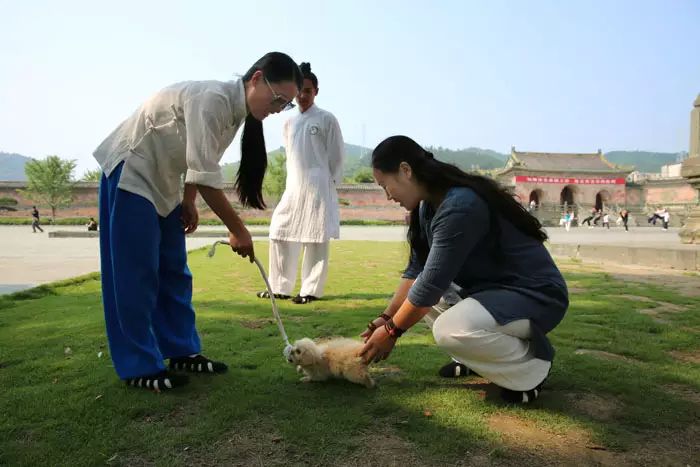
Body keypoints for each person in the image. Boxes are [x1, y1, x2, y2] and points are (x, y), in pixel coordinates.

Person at [92, 52, 303, 391]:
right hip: (131, 171)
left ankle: (181, 349)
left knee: (174, 268)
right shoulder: (213, 99)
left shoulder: (233, 113)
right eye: (278, 99)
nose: (279, 108)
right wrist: (238, 230)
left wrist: (188, 201)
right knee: (137, 270)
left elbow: (198, 164)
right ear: (256, 79)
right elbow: (207, 178)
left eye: (286, 104)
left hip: (164, 183)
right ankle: (138, 365)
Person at [360, 136, 568, 404]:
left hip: (535, 296)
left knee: (448, 328)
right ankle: (475, 360)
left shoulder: (460, 205)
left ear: (405, 170)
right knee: (423, 304)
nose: (388, 196)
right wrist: (385, 318)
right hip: (492, 293)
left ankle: (532, 367)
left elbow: (431, 284)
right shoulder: (427, 206)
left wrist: (391, 332)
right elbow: (417, 272)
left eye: (384, 185)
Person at [259, 62, 344, 305]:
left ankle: (310, 291)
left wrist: (329, 184)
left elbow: (337, 156)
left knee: (315, 238)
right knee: (280, 231)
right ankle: (280, 287)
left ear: (316, 91)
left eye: (308, 91)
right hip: (294, 186)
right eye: (299, 91)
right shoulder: (289, 122)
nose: (303, 96)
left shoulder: (327, 119)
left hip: (319, 185)